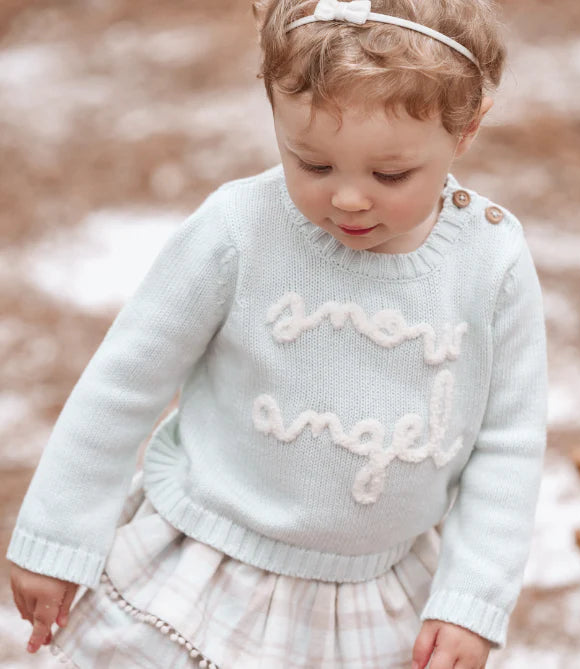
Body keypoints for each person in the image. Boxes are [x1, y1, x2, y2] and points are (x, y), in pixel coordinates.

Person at [6, 0, 548, 667]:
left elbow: (508, 444)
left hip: (373, 599)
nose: (348, 199)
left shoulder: (489, 261)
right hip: (203, 565)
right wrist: (56, 538)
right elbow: (125, 382)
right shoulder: (239, 229)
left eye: (389, 175)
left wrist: (470, 600)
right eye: (312, 164)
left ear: (465, 130)